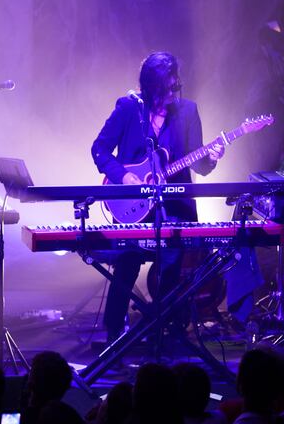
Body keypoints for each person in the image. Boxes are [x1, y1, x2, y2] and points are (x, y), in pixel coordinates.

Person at [91, 51, 224, 345]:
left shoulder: (188, 111)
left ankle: (164, 329)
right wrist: (124, 177)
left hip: (174, 207)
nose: (172, 94)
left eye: (175, 87)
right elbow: (99, 150)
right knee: (128, 260)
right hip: (132, 205)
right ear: (150, 87)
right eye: (166, 89)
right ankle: (114, 332)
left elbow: (198, 163)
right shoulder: (128, 109)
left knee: (172, 262)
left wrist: (212, 159)